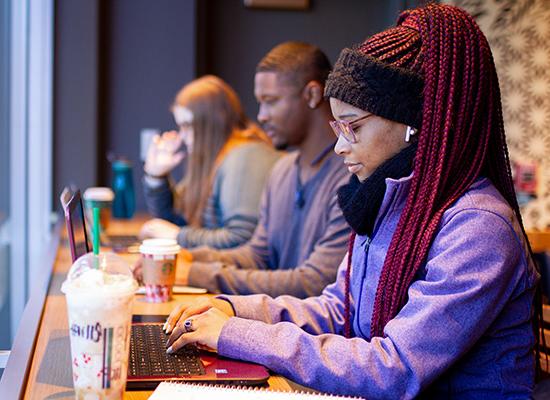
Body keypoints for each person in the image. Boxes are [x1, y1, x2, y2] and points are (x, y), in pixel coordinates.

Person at [162, 4, 542, 398]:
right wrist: (234, 310)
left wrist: (237, 334)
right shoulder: (389, 201)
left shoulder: (478, 227)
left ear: (416, 126)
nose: (340, 147)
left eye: (354, 128)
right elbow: (338, 311)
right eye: (337, 127)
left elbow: (396, 368)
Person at [172, 42, 351, 297]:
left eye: (270, 101)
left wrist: (195, 273)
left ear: (312, 95)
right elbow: (258, 254)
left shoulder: (351, 175)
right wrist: (188, 257)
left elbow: (315, 282)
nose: (262, 115)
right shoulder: (282, 170)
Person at [140, 75, 280, 249]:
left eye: (187, 125)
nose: (183, 136)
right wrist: (157, 177)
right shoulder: (215, 157)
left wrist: (178, 236)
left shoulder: (245, 156)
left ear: (212, 122)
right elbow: (177, 221)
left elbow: (242, 240)